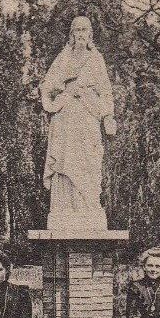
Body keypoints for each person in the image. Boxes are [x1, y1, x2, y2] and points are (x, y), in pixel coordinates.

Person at [39, 15, 116, 231]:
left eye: (85, 30)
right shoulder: (63, 57)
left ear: (90, 35)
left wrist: (108, 116)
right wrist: (64, 87)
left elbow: (105, 90)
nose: (81, 34)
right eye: (77, 30)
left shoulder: (95, 59)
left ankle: (88, 205)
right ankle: (64, 208)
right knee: (64, 157)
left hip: (88, 113)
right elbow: (47, 85)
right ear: (72, 34)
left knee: (88, 159)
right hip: (65, 114)